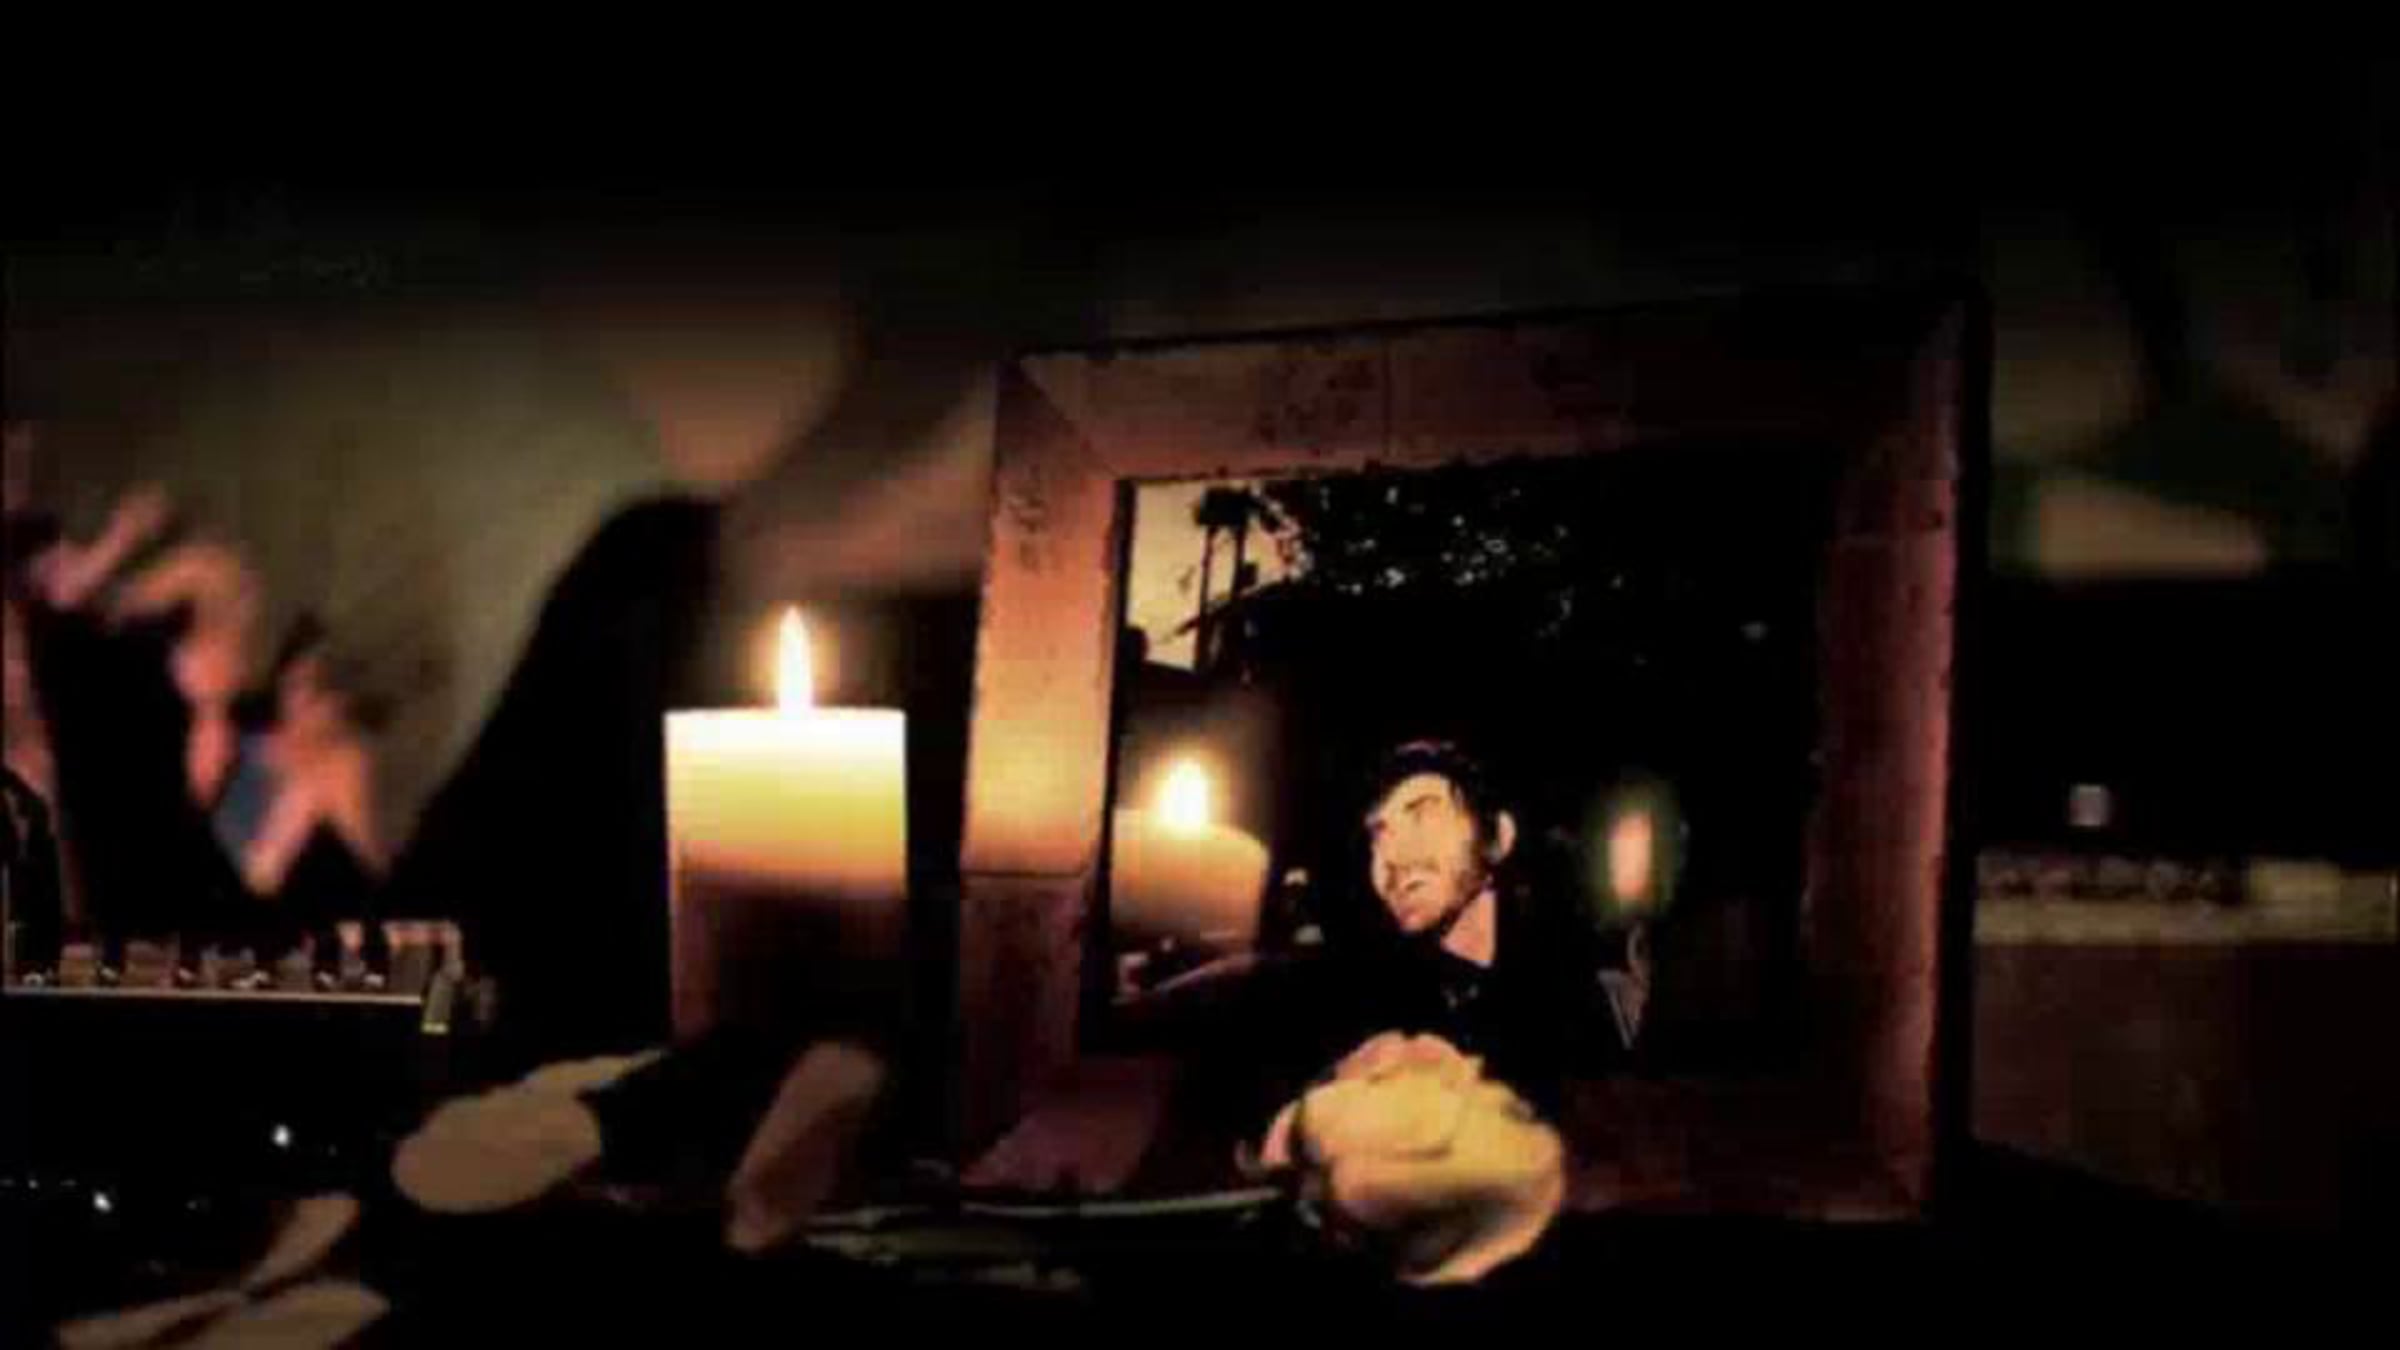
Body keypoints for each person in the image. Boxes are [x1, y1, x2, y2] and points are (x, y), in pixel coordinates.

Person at [1318, 738, 1634, 1112]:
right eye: (1379, 833)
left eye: (1424, 815)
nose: (1392, 858)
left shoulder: (1568, 980)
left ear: (1498, 838)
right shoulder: (1370, 1002)